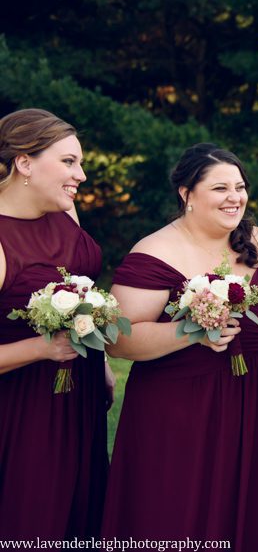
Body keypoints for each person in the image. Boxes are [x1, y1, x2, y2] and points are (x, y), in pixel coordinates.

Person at [103, 143, 258, 549]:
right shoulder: (155, 251)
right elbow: (118, 339)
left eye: (240, 187)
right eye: (220, 188)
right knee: (183, 514)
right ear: (186, 194)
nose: (235, 198)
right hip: (188, 410)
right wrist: (189, 331)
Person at [0, 108, 112, 538]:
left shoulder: (66, 214)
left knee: (79, 519)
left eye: (79, 162)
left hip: (79, 396)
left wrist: (98, 361)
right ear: (24, 162)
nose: (80, 175)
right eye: (68, 162)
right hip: (22, 410)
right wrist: (41, 349)